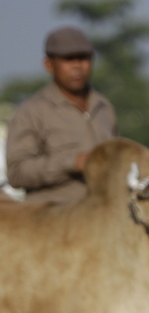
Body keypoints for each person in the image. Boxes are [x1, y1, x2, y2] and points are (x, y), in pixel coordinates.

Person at [5, 26, 117, 204]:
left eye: (83, 58)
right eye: (68, 59)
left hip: (102, 219)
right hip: (51, 222)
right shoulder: (31, 112)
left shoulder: (104, 107)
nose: (77, 66)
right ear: (49, 65)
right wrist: (71, 163)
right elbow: (17, 174)